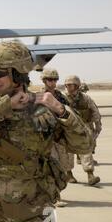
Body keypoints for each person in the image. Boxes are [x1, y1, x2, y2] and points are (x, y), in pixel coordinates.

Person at [0, 40, 92, 222]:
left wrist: (62, 111)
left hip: (39, 208)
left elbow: (84, 145)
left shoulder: (44, 107)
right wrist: (5, 106)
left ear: (18, 72)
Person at [41, 68, 75, 207]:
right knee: (52, 166)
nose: (53, 82)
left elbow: (69, 111)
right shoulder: (39, 96)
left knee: (62, 166)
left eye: (55, 79)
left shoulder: (60, 96)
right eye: (50, 79)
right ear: (44, 80)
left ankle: (53, 194)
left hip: (59, 136)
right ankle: (55, 197)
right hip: (46, 137)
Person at [65, 76, 101, 186]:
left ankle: (90, 175)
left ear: (77, 85)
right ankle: (69, 174)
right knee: (68, 153)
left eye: (71, 85)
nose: (68, 87)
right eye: (67, 85)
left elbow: (94, 111)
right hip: (69, 128)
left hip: (83, 127)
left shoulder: (85, 98)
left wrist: (97, 125)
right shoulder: (63, 98)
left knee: (86, 151)